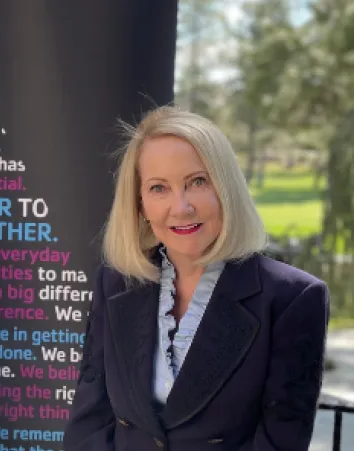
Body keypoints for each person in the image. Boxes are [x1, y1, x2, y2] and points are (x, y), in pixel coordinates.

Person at [64, 105, 329, 451]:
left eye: (197, 182)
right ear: (140, 203)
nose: (181, 207)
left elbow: (280, 441)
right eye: (159, 188)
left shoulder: (292, 299)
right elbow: (89, 421)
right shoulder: (116, 282)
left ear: (226, 189)